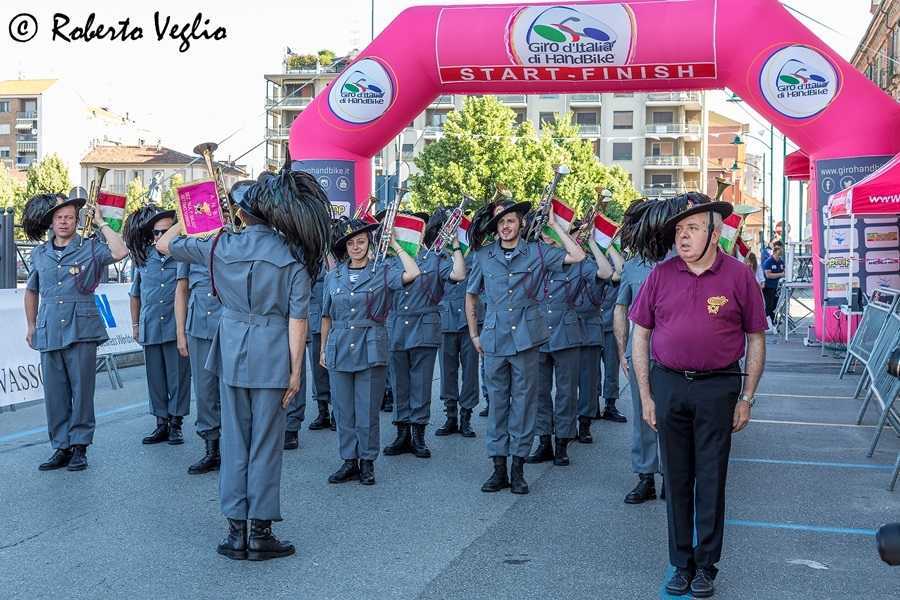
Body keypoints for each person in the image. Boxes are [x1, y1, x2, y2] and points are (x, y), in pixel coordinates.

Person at [157, 168, 331, 561]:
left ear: (241, 215)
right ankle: (260, 532)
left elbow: (164, 246)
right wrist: (294, 371)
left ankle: (235, 531)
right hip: (273, 354)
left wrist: (195, 211)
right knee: (266, 445)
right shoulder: (293, 256)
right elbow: (297, 320)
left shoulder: (219, 246)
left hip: (232, 350)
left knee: (235, 440)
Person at [629, 192, 766, 597]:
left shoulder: (738, 276)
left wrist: (747, 397)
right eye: (679, 230)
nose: (682, 237)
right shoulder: (661, 274)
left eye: (692, 228)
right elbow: (641, 335)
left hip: (717, 388)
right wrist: (646, 395)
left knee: (710, 478)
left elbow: (755, 338)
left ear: (715, 230)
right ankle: (680, 563)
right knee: (675, 477)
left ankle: (706, 566)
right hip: (669, 384)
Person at [465, 200, 585, 494]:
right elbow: (471, 296)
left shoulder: (537, 253)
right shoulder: (483, 256)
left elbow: (578, 255)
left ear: (520, 224)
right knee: (497, 406)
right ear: (495, 227)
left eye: (511, 221)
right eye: (500, 222)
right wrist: (474, 335)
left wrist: (555, 225)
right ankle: (498, 469)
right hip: (493, 340)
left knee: (523, 405)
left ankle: (518, 470)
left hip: (527, 340)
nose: (505, 227)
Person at [23, 190, 128, 472]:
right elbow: (31, 291)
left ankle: (80, 446)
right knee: (55, 394)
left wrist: (103, 224)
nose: (64, 222)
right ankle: (61, 447)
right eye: (59, 217)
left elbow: (120, 252)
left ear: (76, 220)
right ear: (51, 222)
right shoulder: (40, 253)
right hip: (49, 327)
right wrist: (31, 324)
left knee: (82, 390)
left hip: (82, 327)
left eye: (69, 217)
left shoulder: (90, 247)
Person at [320, 217, 421, 485]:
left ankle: (367, 462)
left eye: (361, 241)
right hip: (339, 345)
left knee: (366, 409)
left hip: (371, 345)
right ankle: (348, 460)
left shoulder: (383, 270)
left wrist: (397, 246)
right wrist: (322, 350)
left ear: (369, 243)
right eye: (351, 243)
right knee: (343, 409)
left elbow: (413, 273)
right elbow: (326, 316)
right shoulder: (333, 276)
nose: (356, 247)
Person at [529, 224, 614, 466]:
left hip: (567, 334)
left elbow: (606, 273)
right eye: (545, 231)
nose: (548, 236)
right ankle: (544, 441)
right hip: (537, 333)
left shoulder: (578, 261)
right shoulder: (534, 256)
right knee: (540, 392)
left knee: (566, 393)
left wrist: (592, 246)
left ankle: (562, 443)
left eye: (553, 231)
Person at [384, 210, 466, 458]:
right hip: (397, 327)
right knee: (400, 384)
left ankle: (418, 434)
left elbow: (459, 274)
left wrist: (455, 247)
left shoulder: (434, 259)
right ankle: (401, 433)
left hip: (425, 327)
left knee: (420, 384)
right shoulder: (389, 260)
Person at [125, 206, 192, 446]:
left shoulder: (183, 255)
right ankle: (160, 423)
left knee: (179, 378)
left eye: (165, 232)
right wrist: (135, 324)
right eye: (156, 233)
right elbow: (135, 294)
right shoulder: (142, 257)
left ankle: (176, 424)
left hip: (177, 326)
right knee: (155, 378)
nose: (159, 237)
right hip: (151, 324)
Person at [175, 250, 223, 473]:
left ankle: (238, 448)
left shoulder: (234, 238)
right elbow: (182, 290)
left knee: (233, 390)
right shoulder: (190, 247)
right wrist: (180, 333)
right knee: (204, 392)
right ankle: (212, 449)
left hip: (230, 326)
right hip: (199, 326)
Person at [436, 216, 480, 439]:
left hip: (469, 320)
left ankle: (466, 417)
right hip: (444, 321)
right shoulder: (438, 256)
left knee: (470, 371)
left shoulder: (473, 254)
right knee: (447, 371)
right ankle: (450, 416)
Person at [573, 233, 618, 445]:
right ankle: (565, 425)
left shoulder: (593, 265)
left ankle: (584, 424)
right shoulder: (559, 264)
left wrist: (602, 244)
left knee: (589, 382)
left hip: (591, 330)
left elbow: (616, 273)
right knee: (567, 385)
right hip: (567, 331)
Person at [761, 241, 784, 331]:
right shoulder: (769, 262)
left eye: (781, 248)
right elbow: (768, 275)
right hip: (768, 287)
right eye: (778, 249)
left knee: (775, 306)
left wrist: (781, 274)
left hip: (777, 288)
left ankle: (772, 323)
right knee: (769, 306)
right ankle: (768, 324)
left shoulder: (781, 262)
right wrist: (781, 274)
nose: (780, 250)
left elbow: (785, 272)